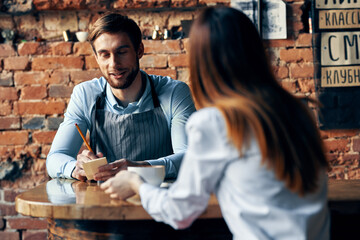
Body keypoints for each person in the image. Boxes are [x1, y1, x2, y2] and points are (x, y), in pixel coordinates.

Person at [100, 6, 330, 240]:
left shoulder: (216, 122)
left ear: (202, 62)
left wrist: (136, 183)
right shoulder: (299, 110)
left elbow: (179, 212)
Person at [46, 12, 196, 181]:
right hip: (106, 199)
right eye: (105, 55)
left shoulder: (174, 92)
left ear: (139, 50)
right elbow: (55, 157)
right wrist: (74, 168)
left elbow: (189, 158)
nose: (114, 64)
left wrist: (139, 168)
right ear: (96, 57)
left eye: (122, 52)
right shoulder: (85, 94)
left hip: (160, 199)